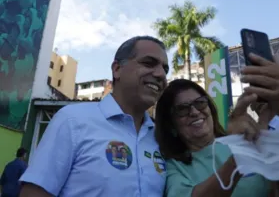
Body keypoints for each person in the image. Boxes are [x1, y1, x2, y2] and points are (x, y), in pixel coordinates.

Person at [19, 36, 169, 197]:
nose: (161, 74)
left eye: (165, 69)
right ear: (117, 69)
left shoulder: (160, 138)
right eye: (148, 63)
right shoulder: (73, 120)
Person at [155, 53, 279, 197]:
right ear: (171, 126)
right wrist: (242, 153)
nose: (194, 112)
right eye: (182, 109)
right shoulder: (174, 167)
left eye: (200, 103)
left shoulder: (246, 137)